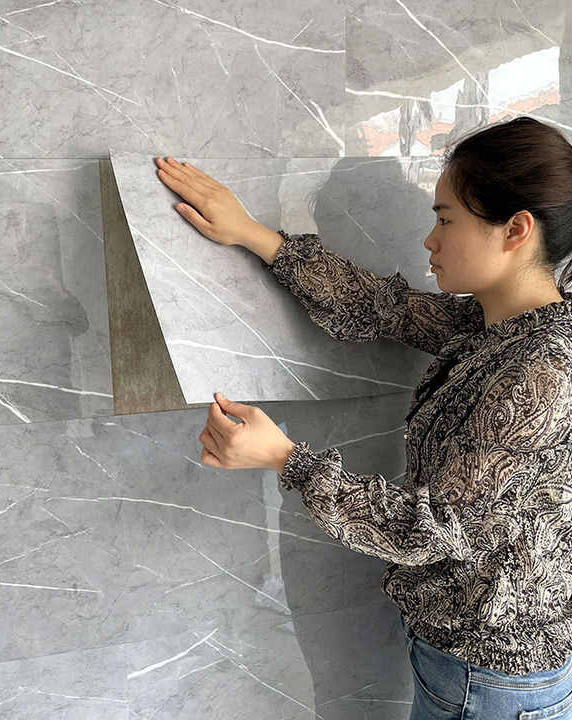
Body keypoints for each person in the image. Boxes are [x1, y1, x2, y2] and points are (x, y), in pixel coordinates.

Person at [154, 115, 572, 719]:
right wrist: (255, 235)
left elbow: (428, 528)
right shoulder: (500, 328)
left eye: (445, 219)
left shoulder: (538, 370)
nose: (428, 240)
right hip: (473, 663)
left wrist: (285, 459)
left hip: (491, 680)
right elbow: (385, 308)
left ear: (516, 230)